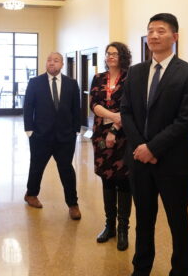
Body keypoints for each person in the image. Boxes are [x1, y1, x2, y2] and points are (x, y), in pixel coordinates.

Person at [113, 13, 188, 276]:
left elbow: (187, 118)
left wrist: (154, 147)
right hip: (140, 161)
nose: (154, 36)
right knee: (144, 220)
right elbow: (126, 111)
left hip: (173, 162)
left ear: (174, 37)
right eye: (150, 31)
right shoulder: (136, 72)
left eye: (161, 31)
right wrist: (141, 147)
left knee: (178, 224)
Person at [22, 52, 83, 219]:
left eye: (56, 61)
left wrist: (75, 130)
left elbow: (76, 109)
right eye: (49, 60)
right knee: (37, 166)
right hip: (40, 135)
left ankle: (73, 204)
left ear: (62, 64)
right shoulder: (35, 82)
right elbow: (28, 107)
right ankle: (31, 194)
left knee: (66, 169)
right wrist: (29, 130)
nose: (52, 63)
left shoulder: (71, 84)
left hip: (65, 137)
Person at [90, 41, 133, 250]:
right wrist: (112, 116)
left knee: (123, 180)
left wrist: (115, 128)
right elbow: (94, 104)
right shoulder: (98, 78)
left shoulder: (130, 78)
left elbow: (130, 107)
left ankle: (123, 228)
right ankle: (109, 226)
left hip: (124, 135)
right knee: (107, 178)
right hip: (100, 135)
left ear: (122, 56)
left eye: (115, 53)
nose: (110, 57)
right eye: (108, 53)